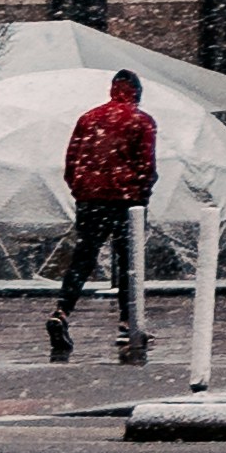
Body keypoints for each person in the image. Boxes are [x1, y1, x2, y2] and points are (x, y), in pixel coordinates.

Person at [47, 67, 158, 361]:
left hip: (91, 200)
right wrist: (140, 196)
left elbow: (72, 161)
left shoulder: (88, 118)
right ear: (136, 91)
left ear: (113, 89)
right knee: (129, 264)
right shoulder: (141, 121)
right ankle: (127, 323)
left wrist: (82, 192)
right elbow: (146, 166)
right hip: (125, 202)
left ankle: (61, 312)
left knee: (82, 259)